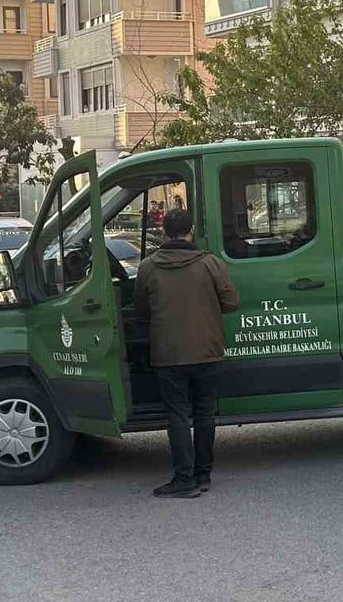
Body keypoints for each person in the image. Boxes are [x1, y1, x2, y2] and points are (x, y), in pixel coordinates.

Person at [134, 208, 240, 498]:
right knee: (204, 414)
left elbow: (141, 309)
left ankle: (184, 479)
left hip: (168, 354)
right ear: (191, 231)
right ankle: (203, 475)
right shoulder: (211, 263)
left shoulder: (148, 267)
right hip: (207, 351)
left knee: (178, 416)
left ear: (164, 232)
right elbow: (231, 303)